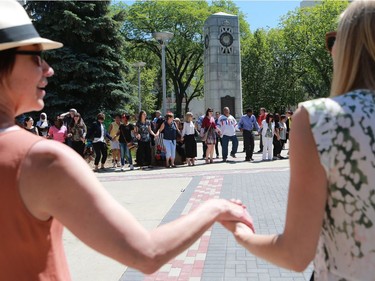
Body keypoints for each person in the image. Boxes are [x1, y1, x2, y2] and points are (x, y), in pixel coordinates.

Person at [0, 1, 254, 280]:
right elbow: (146, 253)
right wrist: (215, 207)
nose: (48, 69)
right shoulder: (41, 160)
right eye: (36, 56)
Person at [223, 1, 375, 280]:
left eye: (333, 39)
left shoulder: (320, 119)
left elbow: (295, 253)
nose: (330, 49)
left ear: (349, 47)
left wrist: (241, 234)